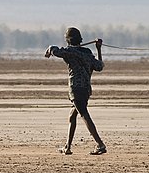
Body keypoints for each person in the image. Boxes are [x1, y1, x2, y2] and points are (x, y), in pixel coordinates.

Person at [44, 27, 107, 155]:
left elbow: (56, 51)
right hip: (86, 89)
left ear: (68, 40)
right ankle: (67, 147)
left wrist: (50, 48)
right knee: (72, 117)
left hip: (76, 89)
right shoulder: (88, 53)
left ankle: (100, 144)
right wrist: (99, 49)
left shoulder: (69, 52)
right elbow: (99, 66)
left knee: (84, 115)